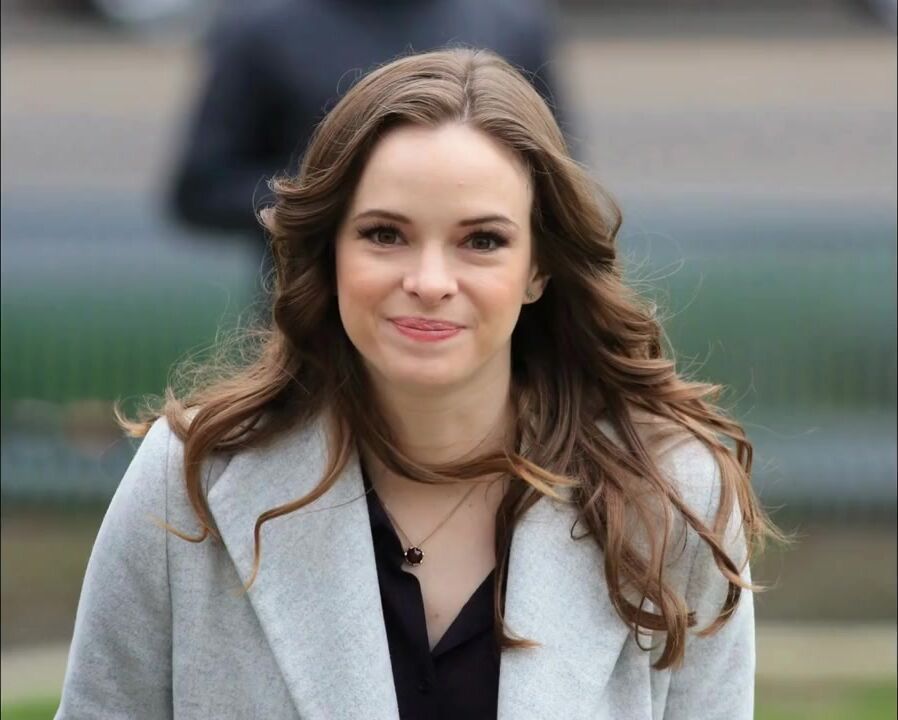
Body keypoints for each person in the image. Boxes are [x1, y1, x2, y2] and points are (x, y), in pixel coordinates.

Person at [56, 48, 779, 719]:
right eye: (385, 234)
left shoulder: (671, 497)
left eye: (482, 240)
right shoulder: (190, 480)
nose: (430, 281)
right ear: (329, 251)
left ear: (538, 268)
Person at [169, 0, 571, 285]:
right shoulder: (260, 25)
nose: (425, 282)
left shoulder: (510, 21)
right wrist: (335, 196)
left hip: (482, 325)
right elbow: (202, 188)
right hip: (310, 314)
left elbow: (556, 185)